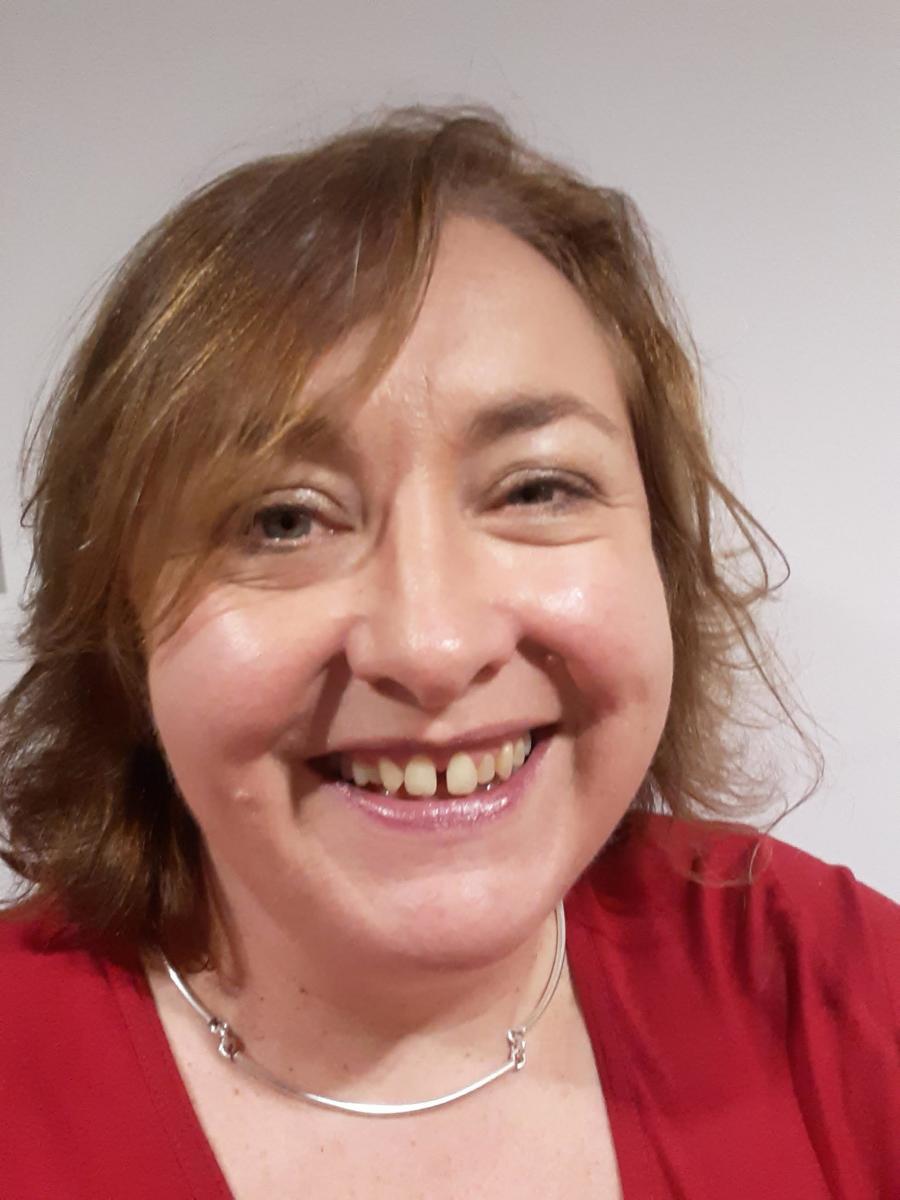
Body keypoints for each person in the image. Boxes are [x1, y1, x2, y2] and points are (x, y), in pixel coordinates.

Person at [0, 107, 896, 1200]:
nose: (431, 647)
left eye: (537, 489)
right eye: (283, 520)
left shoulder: (831, 984)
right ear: (121, 621)